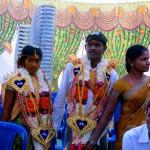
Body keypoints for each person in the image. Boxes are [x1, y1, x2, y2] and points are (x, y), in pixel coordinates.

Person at [53, 31, 118, 150]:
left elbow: (109, 109)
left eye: (97, 45)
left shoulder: (111, 73)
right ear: (85, 47)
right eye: (90, 44)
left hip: (98, 128)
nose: (93, 48)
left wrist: (95, 138)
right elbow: (60, 99)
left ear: (104, 48)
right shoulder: (73, 67)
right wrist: (54, 127)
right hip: (73, 125)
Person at [85, 44, 150, 150]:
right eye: (143, 59)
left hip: (147, 131)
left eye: (148, 59)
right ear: (131, 62)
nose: (148, 62)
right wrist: (93, 140)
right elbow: (108, 114)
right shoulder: (119, 85)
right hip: (127, 133)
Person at [1, 45, 55, 150]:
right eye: (30, 60)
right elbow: (7, 108)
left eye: (37, 61)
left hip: (41, 126)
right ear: (22, 60)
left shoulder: (43, 80)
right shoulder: (14, 80)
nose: (34, 64)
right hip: (21, 126)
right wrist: (4, 132)